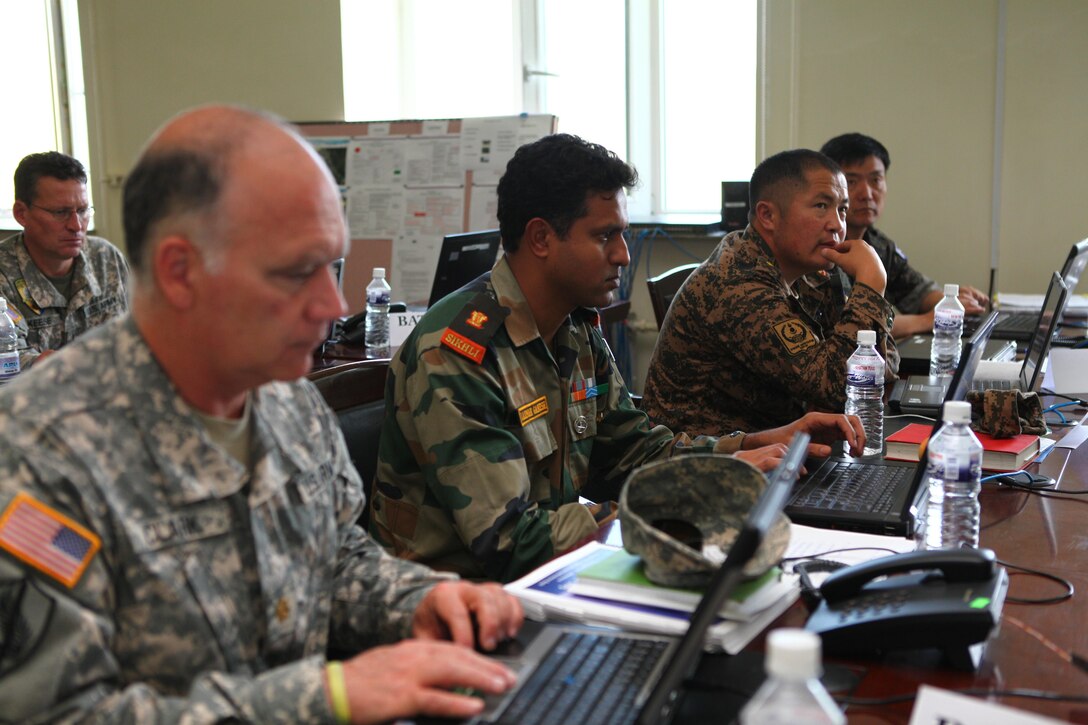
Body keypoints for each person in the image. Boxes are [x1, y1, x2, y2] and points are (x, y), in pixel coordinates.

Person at [0, 106, 524, 724]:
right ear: (180, 271)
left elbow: (334, 559)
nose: (332, 306)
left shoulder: (287, 398)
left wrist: (421, 600)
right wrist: (326, 699)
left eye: (331, 267)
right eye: (297, 271)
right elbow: (58, 715)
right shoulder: (40, 451)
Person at [369, 134, 865, 583]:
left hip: (549, 578)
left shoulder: (573, 328)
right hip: (453, 608)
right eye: (605, 235)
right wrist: (686, 500)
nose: (624, 255)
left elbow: (633, 452)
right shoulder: (458, 353)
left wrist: (747, 449)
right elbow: (508, 540)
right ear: (541, 238)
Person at [642, 149, 896, 435]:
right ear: (768, 215)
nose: (837, 224)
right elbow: (839, 388)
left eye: (842, 209)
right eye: (822, 206)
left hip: (776, 443)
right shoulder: (738, 284)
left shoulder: (807, 268)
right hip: (709, 464)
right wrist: (871, 287)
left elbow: (877, 371)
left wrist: (862, 290)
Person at [819, 133, 988, 337]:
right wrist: (930, 319)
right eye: (852, 181)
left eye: (876, 180)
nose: (867, 194)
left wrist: (953, 301)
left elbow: (916, 291)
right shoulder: (822, 248)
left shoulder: (878, 244)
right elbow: (855, 326)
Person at [2, 151, 129, 368]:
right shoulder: (4, 275)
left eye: (82, 210)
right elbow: (7, 364)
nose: (76, 226)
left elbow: (143, 335)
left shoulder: (106, 259)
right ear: (22, 213)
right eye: (60, 212)